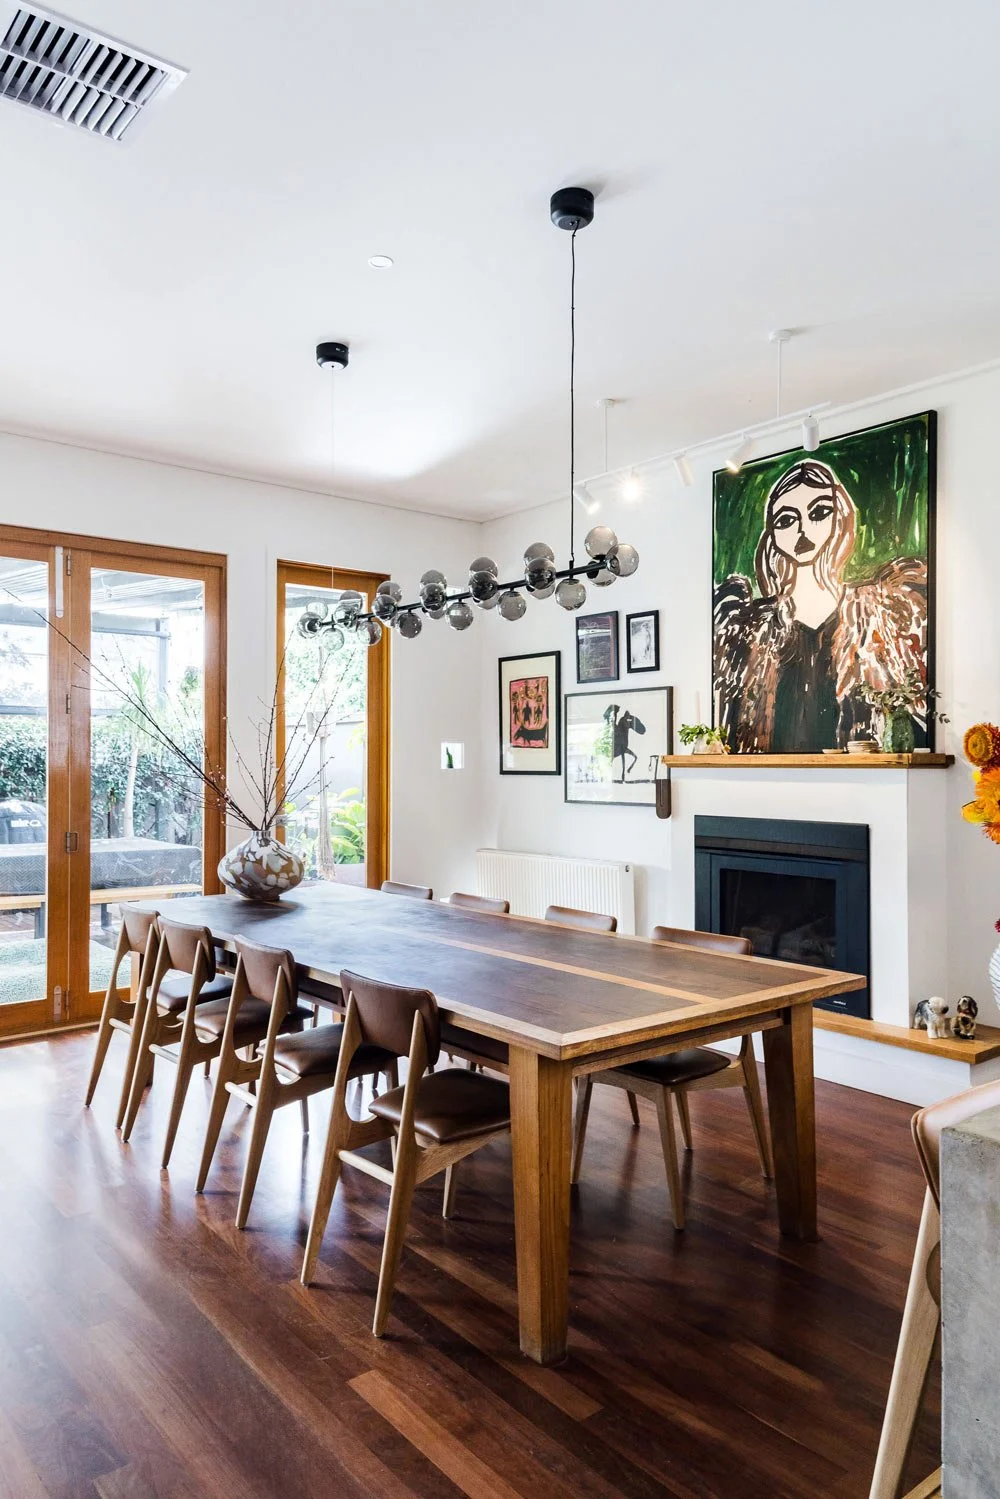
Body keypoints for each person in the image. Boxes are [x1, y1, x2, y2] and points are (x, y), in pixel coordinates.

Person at [713, 459, 927, 752]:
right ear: (772, 534)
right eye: (786, 520)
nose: (802, 529)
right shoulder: (753, 626)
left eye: (818, 513)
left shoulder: (876, 610)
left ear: (839, 518)